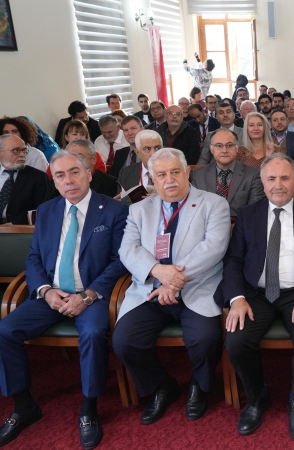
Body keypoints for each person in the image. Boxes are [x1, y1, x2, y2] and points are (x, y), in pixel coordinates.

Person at [0, 150, 127, 449]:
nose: (69, 180)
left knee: (92, 333)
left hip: (91, 295)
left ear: (88, 174)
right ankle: (23, 405)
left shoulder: (114, 211)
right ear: (54, 181)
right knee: (3, 332)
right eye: (60, 175)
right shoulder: (47, 210)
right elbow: (34, 257)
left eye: (75, 172)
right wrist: (45, 291)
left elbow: (120, 261)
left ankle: (89, 407)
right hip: (51, 294)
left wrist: (88, 295)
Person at [219, 153, 294, 441]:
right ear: (263, 182)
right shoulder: (248, 215)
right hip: (255, 293)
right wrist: (237, 298)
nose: (278, 185)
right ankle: (258, 396)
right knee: (236, 340)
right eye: (271, 179)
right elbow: (233, 260)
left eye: (285, 178)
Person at [113, 148, 230, 425]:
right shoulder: (138, 210)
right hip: (149, 289)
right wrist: (157, 271)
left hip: (196, 286)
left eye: (175, 172)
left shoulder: (214, 204)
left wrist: (173, 281)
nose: (169, 179)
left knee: (205, 339)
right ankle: (162, 385)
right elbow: (128, 250)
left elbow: (213, 248)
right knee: (124, 341)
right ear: (152, 178)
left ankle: (199, 386)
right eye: (162, 174)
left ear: (186, 172)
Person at [190, 128, 264, 219]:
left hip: (240, 225)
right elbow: (194, 209)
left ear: (237, 148)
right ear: (211, 149)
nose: (224, 150)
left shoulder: (254, 174)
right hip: (207, 224)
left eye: (229, 145)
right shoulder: (197, 175)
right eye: (219, 145)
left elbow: (255, 211)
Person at [0, 135, 48, 224]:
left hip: (16, 228)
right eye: (16, 150)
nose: (22, 155)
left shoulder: (38, 177)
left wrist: (13, 224)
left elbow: (41, 210)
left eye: (24, 150)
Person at [45, 140, 120, 200]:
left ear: (93, 159)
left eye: (80, 157)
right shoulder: (56, 182)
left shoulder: (110, 183)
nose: (73, 162)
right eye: (69, 157)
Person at [116, 130, 162, 202]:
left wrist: (162, 196)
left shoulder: (174, 171)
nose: (153, 153)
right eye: (147, 149)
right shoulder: (125, 172)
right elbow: (121, 200)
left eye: (157, 148)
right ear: (137, 152)